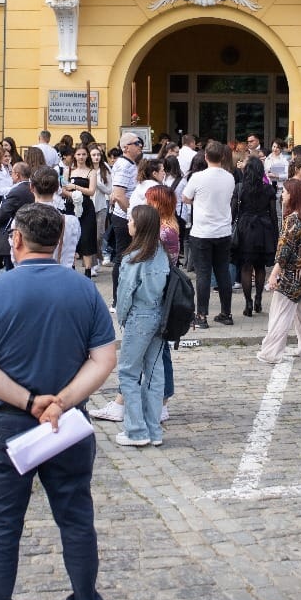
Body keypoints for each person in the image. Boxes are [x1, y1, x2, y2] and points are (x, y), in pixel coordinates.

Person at [0, 203, 117, 600]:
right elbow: (104, 359)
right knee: (76, 520)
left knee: (1, 526)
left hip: (8, 425)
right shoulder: (83, 289)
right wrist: (61, 402)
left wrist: (30, 402)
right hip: (65, 425)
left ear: (16, 240)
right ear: (59, 241)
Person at [113, 205, 171, 448]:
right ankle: (153, 430)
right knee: (154, 373)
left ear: (140, 226)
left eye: (131, 220)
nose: (128, 224)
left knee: (128, 372)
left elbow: (125, 294)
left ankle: (136, 430)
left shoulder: (133, 258)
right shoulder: (161, 253)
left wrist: (122, 319)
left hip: (139, 316)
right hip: (159, 315)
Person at [256, 179, 301, 364]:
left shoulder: (292, 220)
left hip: (291, 273)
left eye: (284, 192)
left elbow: (284, 250)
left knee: (280, 313)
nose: (282, 195)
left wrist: (274, 274)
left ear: (292, 195)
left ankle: (271, 352)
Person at [182, 141, 237, 328]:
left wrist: (198, 200)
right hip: (223, 231)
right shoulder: (229, 177)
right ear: (223, 157)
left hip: (202, 231)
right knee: (223, 272)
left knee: (203, 274)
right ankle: (226, 313)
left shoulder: (197, 177)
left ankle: (202, 315)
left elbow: (185, 197)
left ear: (205, 157)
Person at [233, 156, 277, 318]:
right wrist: (276, 234)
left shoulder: (240, 188)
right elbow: (273, 214)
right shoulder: (268, 189)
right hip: (264, 229)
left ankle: (248, 303)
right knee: (260, 267)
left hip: (245, 229)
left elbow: (233, 212)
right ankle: (258, 298)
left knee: (246, 267)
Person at [106, 132, 144, 295]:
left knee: (129, 257)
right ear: (126, 147)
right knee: (123, 257)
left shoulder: (129, 163)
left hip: (127, 217)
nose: (140, 146)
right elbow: (119, 195)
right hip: (125, 219)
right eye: (137, 143)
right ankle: (117, 298)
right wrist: (132, 216)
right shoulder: (124, 165)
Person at [65, 146, 100, 276]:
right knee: (71, 237)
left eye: (84, 154)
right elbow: (63, 189)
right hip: (71, 206)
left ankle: (88, 271)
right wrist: (72, 195)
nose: (81, 157)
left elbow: (91, 191)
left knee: (87, 238)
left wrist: (75, 187)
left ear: (87, 156)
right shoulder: (69, 171)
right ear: (74, 155)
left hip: (86, 207)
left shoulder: (92, 172)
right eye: (78, 154)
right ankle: (72, 269)